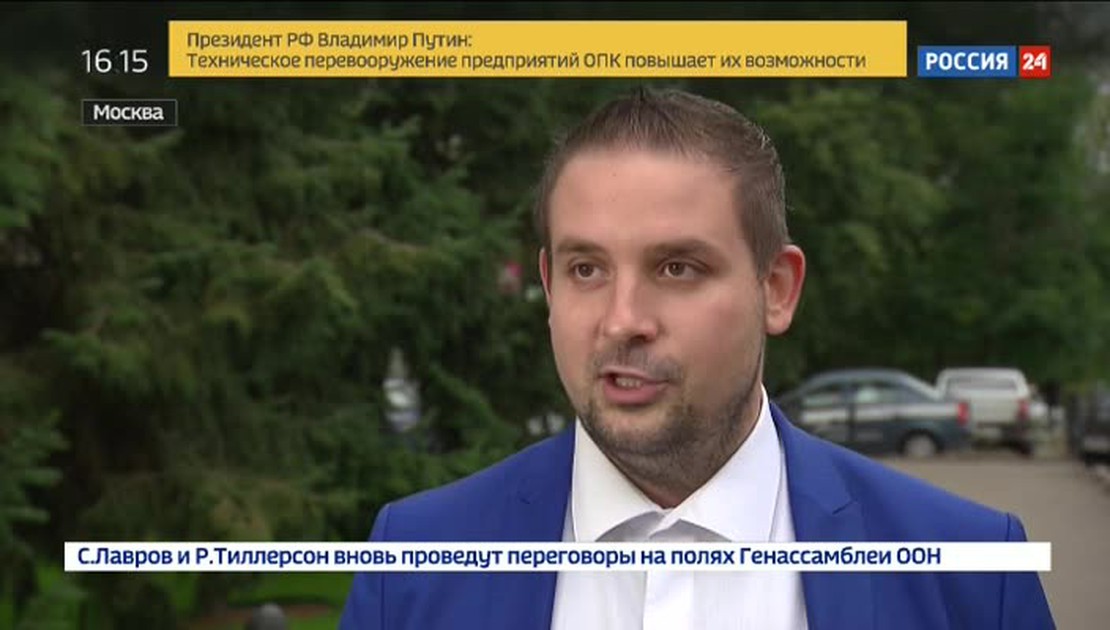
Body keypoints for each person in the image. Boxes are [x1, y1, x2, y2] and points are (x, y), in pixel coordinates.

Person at [339, 87, 1055, 629]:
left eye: (677, 268)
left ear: (776, 290)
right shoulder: (411, 565)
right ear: (550, 287)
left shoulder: (971, 573)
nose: (623, 320)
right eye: (587, 269)